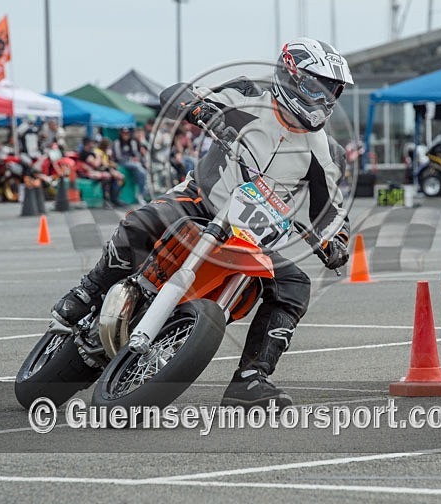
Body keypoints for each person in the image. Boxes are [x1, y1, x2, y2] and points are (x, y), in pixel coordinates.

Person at [51, 38, 353, 409]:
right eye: (315, 86)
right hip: (201, 200)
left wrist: (336, 241)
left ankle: (251, 379)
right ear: (289, 74)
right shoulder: (246, 96)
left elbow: (333, 212)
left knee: (294, 285)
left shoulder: (325, 152)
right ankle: (87, 292)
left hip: (251, 232)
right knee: (142, 223)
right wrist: (200, 111)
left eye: (331, 90)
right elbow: (177, 93)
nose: (323, 98)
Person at [78, 137, 124, 207]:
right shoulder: (85, 153)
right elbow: (96, 164)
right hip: (87, 174)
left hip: (93, 172)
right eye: (92, 143)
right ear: (87, 144)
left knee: (112, 177)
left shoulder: (90, 153)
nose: (93, 145)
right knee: (107, 177)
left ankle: (113, 199)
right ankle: (106, 200)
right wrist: (99, 156)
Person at [113, 127, 151, 202]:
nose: (125, 135)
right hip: (122, 163)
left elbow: (137, 154)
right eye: (124, 134)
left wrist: (136, 158)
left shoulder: (132, 142)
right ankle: (142, 192)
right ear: (121, 134)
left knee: (142, 172)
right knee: (138, 166)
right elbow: (118, 157)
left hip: (133, 164)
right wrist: (131, 159)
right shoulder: (117, 142)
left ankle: (142, 193)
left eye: (127, 134)